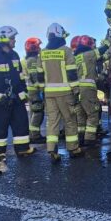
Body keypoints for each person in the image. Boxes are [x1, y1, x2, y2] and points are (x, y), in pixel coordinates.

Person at [0, 25, 35, 175]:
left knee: (21, 124)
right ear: (4, 39)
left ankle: (22, 149)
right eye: (12, 38)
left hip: (16, 99)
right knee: (0, 128)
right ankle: (0, 155)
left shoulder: (15, 55)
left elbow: (20, 77)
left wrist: (23, 95)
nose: (14, 40)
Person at [36, 23, 83, 162]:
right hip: (65, 93)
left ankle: (52, 150)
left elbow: (39, 75)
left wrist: (41, 90)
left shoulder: (42, 53)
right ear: (60, 35)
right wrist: (76, 90)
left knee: (52, 122)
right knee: (70, 120)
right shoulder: (66, 51)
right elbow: (72, 73)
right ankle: (73, 149)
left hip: (49, 93)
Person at [74, 35, 101, 145]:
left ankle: (81, 138)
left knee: (81, 115)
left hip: (77, 89)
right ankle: (89, 139)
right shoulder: (90, 54)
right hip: (88, 89)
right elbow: (104, 51)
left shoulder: (76, 57)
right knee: (92, 114)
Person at [21, 37, 45, 141]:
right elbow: (34, 76)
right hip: (34, 90)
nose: (40, 48)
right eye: (38, 46)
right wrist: (41, 87)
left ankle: (32, 134)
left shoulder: (27, 59)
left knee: (33, 112)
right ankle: (35, 135)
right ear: (34, 47)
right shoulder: (33, 60)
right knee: (38, 112)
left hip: (30, 90)